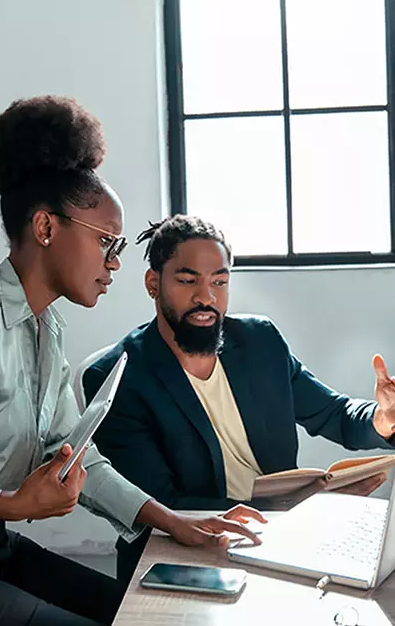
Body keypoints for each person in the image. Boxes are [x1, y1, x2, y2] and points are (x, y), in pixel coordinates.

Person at [0, 102, 264, 626]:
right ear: (46, 226)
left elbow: (73, 455)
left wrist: (172, 521)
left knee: (139, 614)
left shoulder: (45, 326)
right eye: (106, 242)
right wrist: (12, 505)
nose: (115, 263)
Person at [83, 214, 395, 582]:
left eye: (220, 281)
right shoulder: (118, 377)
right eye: (187, 281)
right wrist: (296, 506)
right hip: (179, 551)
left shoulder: (260, 341)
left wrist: (382, 418)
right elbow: (163, 503)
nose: (206, 297)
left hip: (278, 537)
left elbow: (335, 414)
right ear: (153, 283)